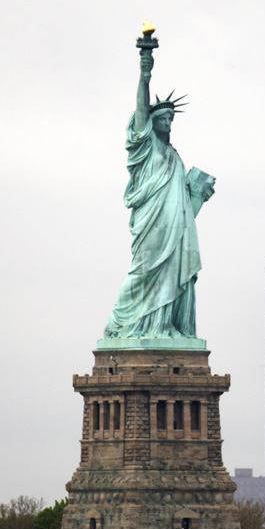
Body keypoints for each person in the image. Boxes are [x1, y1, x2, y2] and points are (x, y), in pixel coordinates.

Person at [103, 45, 214, 339]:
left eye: (170, 119)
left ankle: (165, 326)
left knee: (172, 272)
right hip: (151, 222)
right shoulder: (146, 146)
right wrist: (145, 72)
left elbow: (182, 206)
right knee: (145, 270)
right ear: (151, 122)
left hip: (175, 227)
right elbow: (141, 108)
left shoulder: (175, 156)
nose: (167, 123)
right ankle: (121, 323)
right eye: (162, 119)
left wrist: (198, 195)